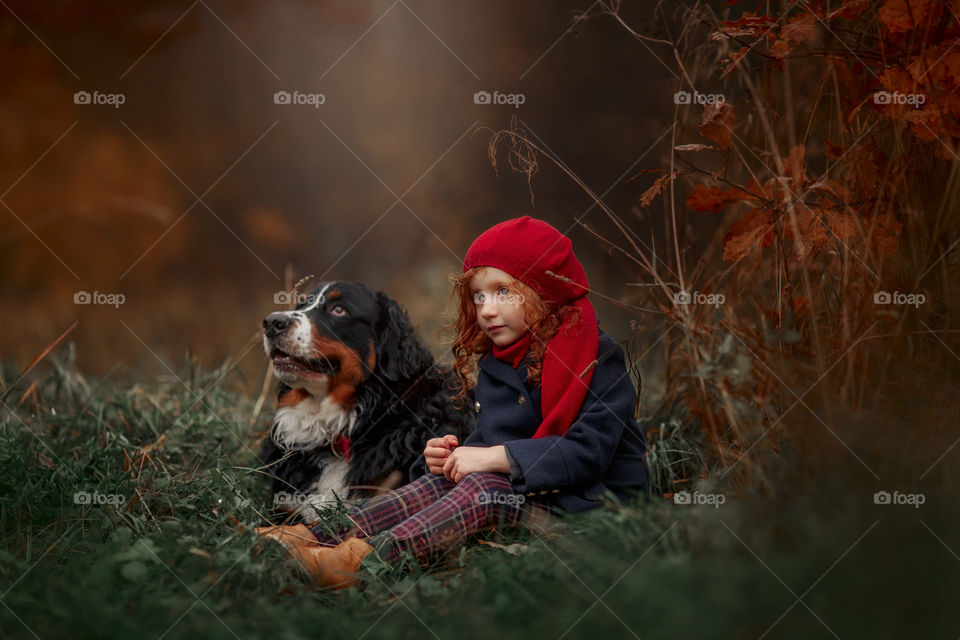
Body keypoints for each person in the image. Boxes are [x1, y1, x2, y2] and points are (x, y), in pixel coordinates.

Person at [256, 215, 650, 589]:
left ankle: (360, 560)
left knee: (482, 489)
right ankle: (310, 536)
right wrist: (445, 458)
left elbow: (589, 453)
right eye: (477, 296)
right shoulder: (500, 364)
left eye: (502, 291)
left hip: (592, 506)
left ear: (544, 290)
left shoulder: (597, 357)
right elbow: (491, 445)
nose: (486, 309)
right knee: (440, 481)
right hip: (529, 491)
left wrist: (493, 459)